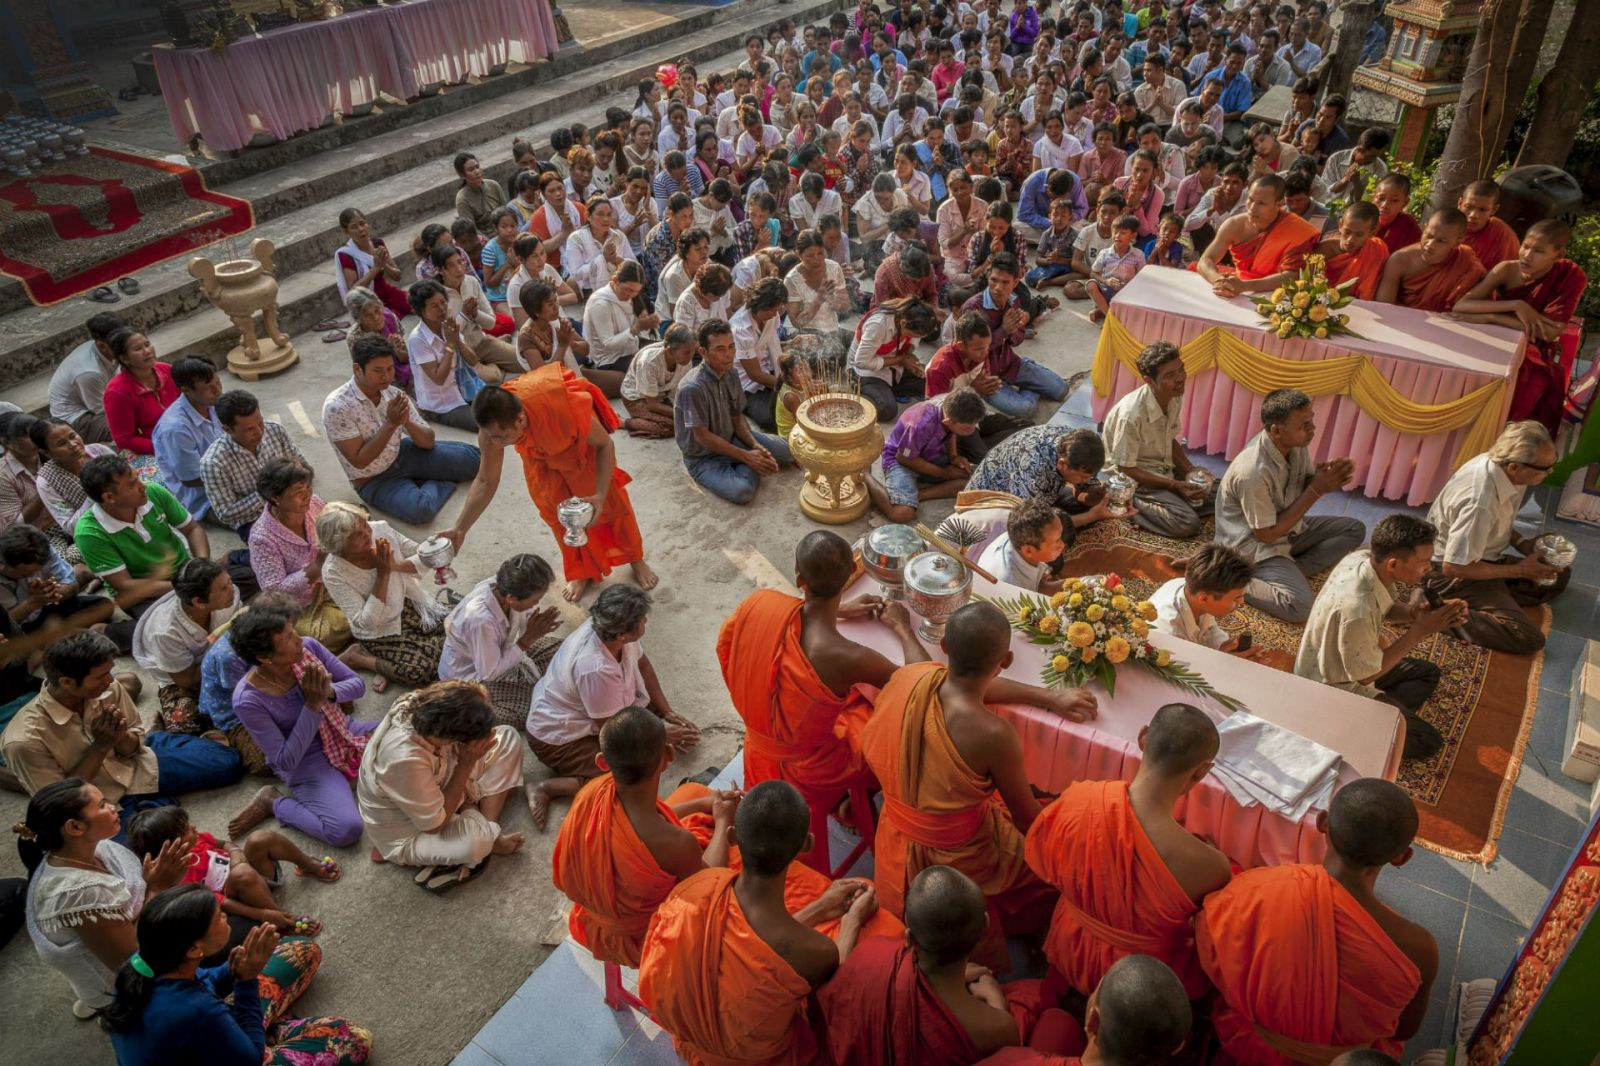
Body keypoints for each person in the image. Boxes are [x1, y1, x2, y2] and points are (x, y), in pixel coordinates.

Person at [860, 602, 1097, 968]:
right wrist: (1078, 854)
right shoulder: (993, 733)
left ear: (946, 647)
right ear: (1006, 661)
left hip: (894, 831)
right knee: (1056, 856)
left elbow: (921, 667)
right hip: (963, 851)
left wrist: (903, 629)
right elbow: (1026, 820)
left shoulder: (910, 679)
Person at [638, 780, 891, 1066]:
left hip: (691, 1038)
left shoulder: (692, 891)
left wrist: (820, 907)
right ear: (806, 845)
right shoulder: (814, 951)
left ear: (732, 836)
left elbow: (756, 945)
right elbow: (834, 993)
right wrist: (852, 921)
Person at [717, 531, 929, 860]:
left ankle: (847, 804)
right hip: (815, 767)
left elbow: (729, 653)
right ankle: (857, 799)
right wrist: (902, 627)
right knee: (892, 718)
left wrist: (840, 610)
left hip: (759, 743)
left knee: (854, 699)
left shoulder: (759, 605)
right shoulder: (846, 656)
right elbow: (921, 682)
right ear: (850, 575)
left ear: (799, 577)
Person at [1196, 778, 1438, 1065]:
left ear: (1322, 822)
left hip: (1254, 1047)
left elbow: (1209, 944)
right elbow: (1405, 1029)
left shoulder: (1260, 888)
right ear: (1402, 857)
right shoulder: (1418, 949)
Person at [1026, 701, 1230, 1003]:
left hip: (1071, 944)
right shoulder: (1209, 865)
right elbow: (1211, 935)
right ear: (1201, 772)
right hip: (1140, 983)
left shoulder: (1078, 802)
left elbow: (1043, 862)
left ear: (1143, 738)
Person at [821, 864, 1084, 1064]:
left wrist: (851, 922)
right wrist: (992, 992)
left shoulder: (872, 955)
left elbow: (837, 989)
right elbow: (1010, 1046)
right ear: (985, 927)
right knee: (1036, 997)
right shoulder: (991, 1026)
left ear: (909, 938)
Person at [442, 367, 656, 603]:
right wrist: (460, 528)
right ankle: (582, 572)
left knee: (611, 505)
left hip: (579, 451)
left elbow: (604, 445)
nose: (495, 443)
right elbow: (485, 480)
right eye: (490, 436)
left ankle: (635, 559)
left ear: (520, 419)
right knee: (558, 513)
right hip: (540, 459)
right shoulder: (491, 432)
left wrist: (600, 494)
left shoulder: (562, 407)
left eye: (500, 437)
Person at [99, 883, 369, 1065]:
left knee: (298, 950)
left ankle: (268, 1030)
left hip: (206, 1032)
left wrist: (239, 966)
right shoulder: (195, 1009)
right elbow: (250, 1059)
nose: (226, 916)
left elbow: (206, 981)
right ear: (194, 948)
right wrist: (246, 979)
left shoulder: (143, 963)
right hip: (235, 1054)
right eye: (218, 917)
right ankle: (271, 1033)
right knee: (350, 1035)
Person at [551, 708, 739, 966]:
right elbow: (708, 882)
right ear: (668, 756)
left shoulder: (591, 793)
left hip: (589, 920)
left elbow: (646, 824)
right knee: (737, 858)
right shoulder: (675, 843)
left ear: (602, 762)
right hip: (643, 939)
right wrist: (722, 822)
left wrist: (705, 803)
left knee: (693, 793)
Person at [2, 632, 240, 829]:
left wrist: (121, 737)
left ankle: (158, 746)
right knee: (145, 850)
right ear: (66, 682)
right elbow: (62, 805)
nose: (109, 681)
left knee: (228, 763)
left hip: (136, 764)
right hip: (100, 805)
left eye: (109, 672)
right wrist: (101, 746)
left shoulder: (108, 688)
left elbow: (133, 744)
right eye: (100, 676)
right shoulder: (24, 741)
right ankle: (156, 796)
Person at [524, 585, 697, 829]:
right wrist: (660, 733)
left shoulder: (612, 633)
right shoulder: (595, 668)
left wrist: (665, 711)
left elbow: (643, 666)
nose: (645, 620)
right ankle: (549, 787)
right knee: (630, 776)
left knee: (647, 750)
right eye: (641, 620)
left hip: (599, 715)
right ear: (622, 635)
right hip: (559, 739)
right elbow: (612, 730)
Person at [1297, 515, 1467, 761]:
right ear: (1394, 564)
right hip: (1332, 687)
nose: (1428, 568)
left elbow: (1386, 608)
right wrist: (1420, 631)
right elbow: (1367, 675)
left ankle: (1379, 716)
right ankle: (1350, 728)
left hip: (1344, 662)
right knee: (1427, 741)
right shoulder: (1357, 610)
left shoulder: (1361, 559)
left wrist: (1414, 613)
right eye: (1424, 562)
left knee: (1427, 672)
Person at [16, 778, 190, 1017]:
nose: (112, 808)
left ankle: (94, 1000)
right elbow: (132, 960)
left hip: (112, 944)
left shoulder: (90, 847)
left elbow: (123, 900)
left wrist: (151, 884)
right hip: (125, 978)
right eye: (101, 805)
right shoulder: (78, 893)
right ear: (75, 827)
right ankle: (111, 1004)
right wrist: (158, 889)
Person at [226, 607, 375, 848]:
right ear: (265, 657)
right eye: (287, 639)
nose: (298, 640)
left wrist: (330, 692)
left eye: (292, 631)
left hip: (343, 730)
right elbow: (286, 760)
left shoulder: (309, 648)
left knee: (410, 727)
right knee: (346, 829)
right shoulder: (248, 700)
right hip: (307, 761)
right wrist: (312, 705)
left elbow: (357, 685)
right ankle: (273, 802)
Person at [1214, 389, 1365, 624]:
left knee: (1354, 529)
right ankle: (1231, 576)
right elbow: (1265, 535)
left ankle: (1291, 571)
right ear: (1276, 431)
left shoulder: (1295, 444)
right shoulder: (1252, 471)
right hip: (1251, 546)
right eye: (1304, 424)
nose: (1312, 428)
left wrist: (1325, 476)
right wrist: (1316, 489)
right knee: (1300, 607)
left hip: (1286, 529)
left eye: (1311, 420)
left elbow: (1302, 480)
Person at [356, 681, 526, 889]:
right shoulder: (404, 759)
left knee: (507, 736)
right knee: (476, 844)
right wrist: (466, 763)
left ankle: (487, 827)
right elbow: (434, 825)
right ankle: (485, 832)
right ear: (454, 738)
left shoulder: (430, 710)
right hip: (410, 831)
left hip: (445, 779)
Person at [1421, 420, 1568, 654]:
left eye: (1553, 464)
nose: (1550, 472)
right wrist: (1520, 571)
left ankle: (1493, 593)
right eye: (1545, 468)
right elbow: (1453, 567)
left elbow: (1500, 523)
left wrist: (1523, 544)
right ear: (1515, 467)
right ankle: (1433, 614)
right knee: (1527, 637)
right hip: (1449, 573)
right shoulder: (1479, 502)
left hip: (1482, 558)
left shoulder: (1508, 471)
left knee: (1558, 572)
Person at [322, 335, 482, 526]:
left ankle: (424, 478)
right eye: (378, 371)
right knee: (421, 510)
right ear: (357, 369)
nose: (386, 376)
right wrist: (391, 423)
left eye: (390, 369)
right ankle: (436, 478)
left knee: (475, 460)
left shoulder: (393, 393)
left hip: (402, 453)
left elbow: (428, 441)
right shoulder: (337, 407)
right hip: (373, 480)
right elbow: (359, 461)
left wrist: (406, 422)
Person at [1451, 219, 1588, 432]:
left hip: (1531, 351)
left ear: (1558, 255)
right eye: (1525, 246)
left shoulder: (1569, 277)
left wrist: (1493, 317)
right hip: (1490, 342)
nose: (1527, 255)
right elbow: (1462, 306)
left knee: (1531, 388)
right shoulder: (1506, 270)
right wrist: (1516, 305)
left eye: (1539, 251)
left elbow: (1550, 332)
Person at [73, 455, 231, 620]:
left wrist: (203, 567)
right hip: (142, 594)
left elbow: (192, 529)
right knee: (183, 622)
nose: (143, 486)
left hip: (183, 574)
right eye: (133, 484)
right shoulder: (89, 533)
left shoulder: (153, 491)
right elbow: (124, 585)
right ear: (109, 498)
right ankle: (113, 632)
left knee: (241, 580)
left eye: (138, 478)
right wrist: (184, 589)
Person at [315, 501, 447, 690]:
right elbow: (366, 622)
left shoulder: (380, 529)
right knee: (421, 671)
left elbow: (422, 555)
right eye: (358, 535)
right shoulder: (333, 572)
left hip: (407, 603)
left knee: (458, 627)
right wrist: (383, 574)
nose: (367, 533)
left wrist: (394, 566)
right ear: (340, 545)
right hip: (380, 630)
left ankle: (391, 663)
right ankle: (360, 658)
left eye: (364, 525)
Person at [973, 955, 1194, 1066]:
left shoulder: (1014, 1061)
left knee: (1056, 1023)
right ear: (1177, 1048)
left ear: (1093, 1020)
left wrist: (995, 1001)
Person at [675, 318, 795, 505]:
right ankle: (746, 463)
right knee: (743, 492)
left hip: (732, 438)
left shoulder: (731, 373)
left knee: (790, 451)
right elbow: (702, 436)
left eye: (731, 347)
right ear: (703, 352)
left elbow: (737, 417)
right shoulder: (693, 387)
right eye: (720, 349)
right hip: (703, 456)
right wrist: (746, 456)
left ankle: (746, 460)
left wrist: (756, 445)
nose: (729, 355)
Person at [1101, 341, 1213, 539]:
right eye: (1170, 375)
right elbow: (1126, 468)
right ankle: (1124, 505)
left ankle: (1172, 500)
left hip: (1162, 467)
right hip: (1135, 479)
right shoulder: (1131, 415)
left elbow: (1168, 439)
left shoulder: (1173, 394)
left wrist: (1190, 470)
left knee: (1219, 492)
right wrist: (1173, 485)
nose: (1180, 378)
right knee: (1187, 523)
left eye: (1181, 369)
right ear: (1149, 380)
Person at [438, 554, 561, 729]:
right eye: (534, 600)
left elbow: (521, 620)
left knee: (562, 649)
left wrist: (533, 624)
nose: (537, 603)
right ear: (511, 598)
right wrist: (527, 640)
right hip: (473, 677)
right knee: (538, 708)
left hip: (500, 653)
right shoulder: (481, 621)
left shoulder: (503, 586)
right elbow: (489, 672)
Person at [245, 460, 356, 655]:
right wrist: (316, 566)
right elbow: (274, 589)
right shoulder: (261, 537)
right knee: (322, 635)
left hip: (333, 576)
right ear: (275, 498)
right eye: (298, 492)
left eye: (308, 488)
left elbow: (333, 524)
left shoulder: (313, 504)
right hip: (302, 603)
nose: (307, 495)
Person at [131, 559, 240, 739]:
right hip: (184, 678)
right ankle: (156, 732)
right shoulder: (165, 632)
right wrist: (221, 650)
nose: (232, 589)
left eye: (229, 581)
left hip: (220, 655)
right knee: (184, 727)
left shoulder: (230, 596)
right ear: (198, 602)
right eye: (223, 588)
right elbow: (187, 680)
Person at [960, 253, 1069, 418]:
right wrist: (1003, 330)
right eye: (994, 280)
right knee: (1027, 410)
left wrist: (1016, 328)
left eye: (1005, 283)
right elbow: (969, 352)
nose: (998, 288)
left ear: (1015, 282)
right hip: (986, 375)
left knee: (1061, 389)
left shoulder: (1013, 301)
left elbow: (1017, 341)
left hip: (1011, 363)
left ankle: (1026, 380)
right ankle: (1029, 386)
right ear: (988, 275)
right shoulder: (973, 308)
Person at [198, 391, 309, 538]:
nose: (259, 432)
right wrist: (268, 492)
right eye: (249, 429)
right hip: (254, 520)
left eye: (260, 422)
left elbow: (303, 466)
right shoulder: (213, 463)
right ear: (227, 429)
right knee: (288, 549)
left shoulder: (275, 430)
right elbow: (225, 514)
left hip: (292, 502)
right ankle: (237, 556)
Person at [866, 391, 984, 523]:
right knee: (902, 513)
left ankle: (917, 496)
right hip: (900, 460)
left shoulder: (949, 408)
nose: (973, 430)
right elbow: (903, 458)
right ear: (948, 421)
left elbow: (951, 432)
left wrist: (954, 456)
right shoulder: (921, 423)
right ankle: (865, 475)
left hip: (929, 454)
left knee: (978, 478)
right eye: (967, 428)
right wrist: (944, 473)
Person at [1195, 175, 1321, 297]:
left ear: (1279, 204)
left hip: (1276, 296)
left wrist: (1245, 286)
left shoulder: (1296, 231)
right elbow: (1205, 260)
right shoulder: (1234, 225)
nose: (1252, 208)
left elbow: (1292, 275)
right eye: (1250, 200)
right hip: (1236, 290)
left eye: (1261, 203)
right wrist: (1219, 281)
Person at [967, 425, 1112, 527]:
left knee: (1081, 509)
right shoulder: (1032, 468)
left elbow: (1085, 485)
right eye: (1083, 477)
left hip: (1036, 496)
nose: (1087, 480)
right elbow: (1029, 523)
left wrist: (1094, 495)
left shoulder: (1074, 444)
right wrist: (1091, 516)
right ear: (1062, 464)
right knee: (1052, 543)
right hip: (989, 509)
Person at [0, 523, 112, 639]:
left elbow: (71, 584)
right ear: (2, 564)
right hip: (17, 629)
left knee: (103, 606)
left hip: (45, 612)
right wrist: (33, 602)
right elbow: (5, 626)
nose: (31, 577)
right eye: (24, 574)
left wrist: (53, 592)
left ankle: (59, 634)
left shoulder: (43, 551)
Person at [1149, 543, 1259, 656]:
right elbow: (1188, 668)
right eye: (1235, 599)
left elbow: (1209, 629)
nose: (1241, 602)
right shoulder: (1171, 635)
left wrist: (1222, 645)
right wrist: (1220, 659)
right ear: (1204, 599)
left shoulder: (1193, 590)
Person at [406, 279, 487, 432]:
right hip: (442, 404)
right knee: (486, 425)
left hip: (464, 390)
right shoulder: (417, 339)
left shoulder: (447, 326)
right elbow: (438, 378)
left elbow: (473, 360)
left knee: (503, 406)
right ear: (421, 311)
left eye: (443, 302)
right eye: (434, 306)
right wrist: (450, 344)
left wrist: (457, 340)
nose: (442, 308)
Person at [151, 359, 224, 524]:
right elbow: (191, 478)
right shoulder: (175, 429)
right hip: (204, 499)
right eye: (209, 388)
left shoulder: (212, 404)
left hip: (229, 476)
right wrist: (237, 476)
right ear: (186, 390)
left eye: (218, 382)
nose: (218, 390)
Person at [1375, 207, 1486, 313]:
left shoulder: (1466, 261)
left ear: (1458, 241)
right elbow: (1383, 306)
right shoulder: (1399, 260)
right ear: (1425, 227)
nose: (1430, 245)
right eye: (1429, 235)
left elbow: (1474, 303)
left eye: (1441, 241)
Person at [48, 313, 122, 445]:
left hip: (98, 399)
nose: (125, 345)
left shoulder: (108, 350)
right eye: (119, 342)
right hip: (77, 417)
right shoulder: (89, 372)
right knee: (125, 426)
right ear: (102, 345)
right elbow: (100, 409)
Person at [102, 329, 178, 457]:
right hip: (154, 449)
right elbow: (124, 440)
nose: (147, 351)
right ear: (124, 358)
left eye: (147, 345)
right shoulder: (117, 392)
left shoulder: (166, 370)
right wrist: (165, 447)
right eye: (138, 349)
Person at [620, 323, 697, 439]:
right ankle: (622, 422)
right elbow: (652, 404)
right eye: (687, 352)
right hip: (637, 397)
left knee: (688, 421)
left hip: (662, 395)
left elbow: (680, 391)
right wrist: (682, 414)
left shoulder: (684, 359)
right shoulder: (649, 361)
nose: (691, 356)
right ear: (670, 351)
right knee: (670, 427)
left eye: (693, 351)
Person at [731, 277, 789, 432]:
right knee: (771, 418)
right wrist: (788, 384)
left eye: (777, 309)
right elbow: (755, 374)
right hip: (748, 385)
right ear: (759, 304)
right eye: (771, 309)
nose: (775, 314)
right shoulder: (741, 329)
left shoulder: (772, 315)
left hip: (770, 369)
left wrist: (790, 344)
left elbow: (769, 343)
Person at [334, 207, 407, 320]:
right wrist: (376, 268)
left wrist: (384, 264)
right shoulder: (346, 254)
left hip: (386, 291)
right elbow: (354, 290)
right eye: (354, 227)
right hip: (369, 301)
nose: (360, 229)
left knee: (419, 304)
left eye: (362, 224)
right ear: (346, 231)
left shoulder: (377, 243)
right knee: (388, 320)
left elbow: (398, 276)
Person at [1456, 179, 1522, 269]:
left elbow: (1508, 275)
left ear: (1494, 209)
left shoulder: (1502, 235)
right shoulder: (1443, 225)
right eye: (1469, 207)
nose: (1473, 215)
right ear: (1460, 203)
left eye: (1482, 210)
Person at [1372, 173, 1422, 253]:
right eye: (1381, 198)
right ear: (1374, 197)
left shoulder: (1408, 225)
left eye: (1394, 200)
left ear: (1405, 202)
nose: (1385, 205)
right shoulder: (1360, 217)